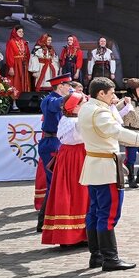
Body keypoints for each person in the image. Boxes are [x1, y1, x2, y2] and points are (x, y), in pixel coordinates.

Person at [77, 77, 139, 271]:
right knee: (108, 213)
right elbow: (119, 133)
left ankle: (97, 256)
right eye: (111, 93)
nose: (114, 97)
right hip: (105, 165)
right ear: (101, 93)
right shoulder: (99, 112)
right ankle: (110, 258)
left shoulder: (87, 108)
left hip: (94, 164)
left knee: (94, 211)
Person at [41, 92, 89, 250]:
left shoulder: (71, 120)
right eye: (82, 104)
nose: (84, 107)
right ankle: (69, 234)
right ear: (74, 107)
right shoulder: (72, 122)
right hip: (74, 159)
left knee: (80, 194)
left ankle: (80, 233)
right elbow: (82, 134)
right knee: (73, 193)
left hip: (75, 157)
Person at [35, 74, 74, 227]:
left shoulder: (58, 99)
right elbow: (56, 104)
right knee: (53, 181)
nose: (69, 88)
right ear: (60, 86)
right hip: (50, 142)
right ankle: (44, 220)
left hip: (57, 141)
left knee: (56, 181)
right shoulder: (49, 99)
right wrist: (75, 95)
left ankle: (47, 219)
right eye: (67, 85)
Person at [4, 25, 31, 99]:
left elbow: (27, 54)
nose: (21, 33)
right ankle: (14, 100)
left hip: (24, 65)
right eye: (19, 31)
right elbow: (9, 55)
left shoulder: (24, 42)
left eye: (22, 32)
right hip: (15, 65)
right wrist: (11, 67)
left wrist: (28, 65)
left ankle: (24, 99)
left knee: (24, 81)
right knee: (16, 82)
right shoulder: (11, 42)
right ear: (15, 32)